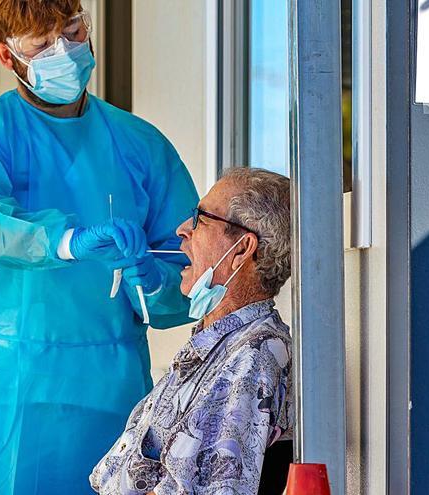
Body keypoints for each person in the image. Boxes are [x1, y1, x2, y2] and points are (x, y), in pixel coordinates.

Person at [0, 0, 199, 493]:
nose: (65, 52)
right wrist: (65, 242)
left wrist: (156, 283)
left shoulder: (140, 144)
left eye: (72, 32)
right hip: (1, 392)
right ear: (7, 57)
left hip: (108, 388)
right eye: (42, 45)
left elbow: (192, 266)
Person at [90, 168, 294, 495]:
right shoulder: (215, 345)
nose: (183, 230)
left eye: (201, 218)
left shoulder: (253, 357)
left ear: (242, 249)